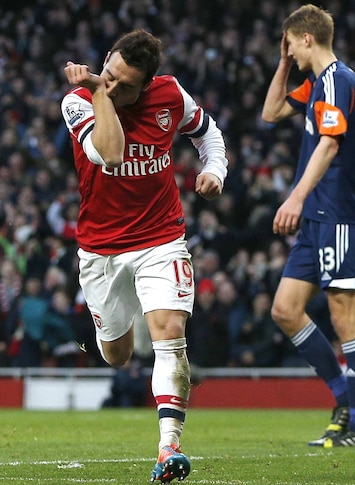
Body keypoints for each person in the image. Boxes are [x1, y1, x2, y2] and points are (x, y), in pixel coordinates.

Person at [61, 29, 228, 482]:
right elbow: (110, 154)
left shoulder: (170, 95)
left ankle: (168, 447)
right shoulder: (78, 100)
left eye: (123, 85)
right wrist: (99, 91)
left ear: (147, 85)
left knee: (170, 332)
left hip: (161, 237)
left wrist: (214, 169)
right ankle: (118, 323)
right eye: (108, 74)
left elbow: (208, 132)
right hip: (102, 250)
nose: (112, 87)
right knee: (117, 353)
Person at [261, 4, 355, 447]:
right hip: (317, 220)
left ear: (307, 37)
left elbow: (329, 143)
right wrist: (283, 64)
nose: (286, 47)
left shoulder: (337, 81)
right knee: (285, 310)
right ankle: (344, 397)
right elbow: (271, 113)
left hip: (341, 215)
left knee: (345, 318)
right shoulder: (316, 84)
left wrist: (295, 196)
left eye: (289, 41)